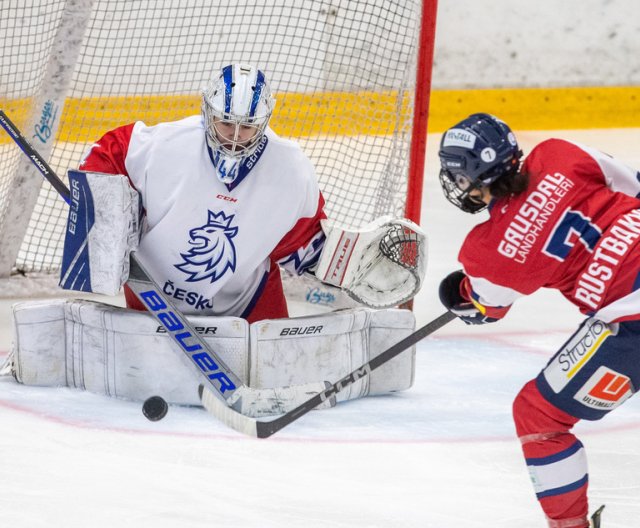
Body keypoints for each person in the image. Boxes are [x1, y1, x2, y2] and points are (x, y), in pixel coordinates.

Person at [437, 113, 640, 528]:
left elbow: (487, 307)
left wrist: (459, 293)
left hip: (632, 313)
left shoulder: (486, 253)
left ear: (470, 181)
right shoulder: (559, 153)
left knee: (539, 417)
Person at [77, 63, 326, 323]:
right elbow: (108, 154)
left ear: (263, 123)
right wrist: (99, 208)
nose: (235, 137)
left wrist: (338, 265)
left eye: (248, 126)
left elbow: (303, 238)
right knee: (145, 365)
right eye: (227, 122)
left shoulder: (290, 168)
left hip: (246, 300)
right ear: (208, 112)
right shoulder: (170, 144)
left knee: (278, 362)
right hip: (151, 291)